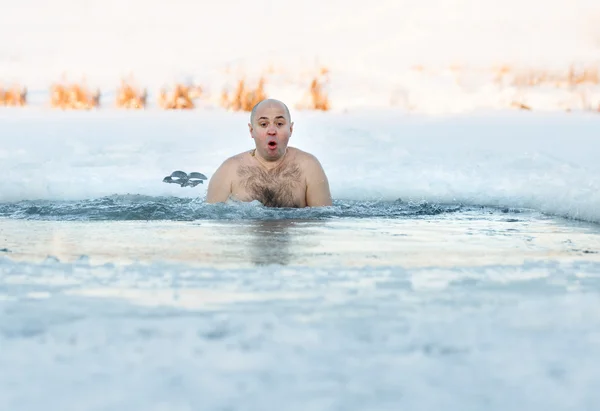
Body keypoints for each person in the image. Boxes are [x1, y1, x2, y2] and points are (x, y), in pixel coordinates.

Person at [206, 98, 332, 208]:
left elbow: (323, 221)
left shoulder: (308, 167)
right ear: (251, 130)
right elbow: (211, 221)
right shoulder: (229, 170)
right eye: (263, 124)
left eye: (279, 124)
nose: (272, 131)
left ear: (290, 129)